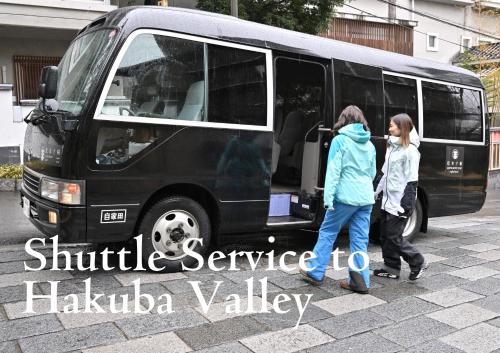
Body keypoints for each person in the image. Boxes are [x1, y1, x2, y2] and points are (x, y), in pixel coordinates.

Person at [300, 105, 376, 294]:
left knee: (328, 231)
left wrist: (328, 199)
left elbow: (333, 172)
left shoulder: (340, 140)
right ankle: (360, 281)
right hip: (365, 198)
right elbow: (372, 173)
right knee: (360, 239)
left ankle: (316, 272)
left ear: (343, 120)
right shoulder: (369, 144)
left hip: (345, 197)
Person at [373, 113, 428, 281]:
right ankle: (391, 267)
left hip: (400, 202)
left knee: (394, 238)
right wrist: (374, 192)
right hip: (387, 201)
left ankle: (418, 261)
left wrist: (407, 205)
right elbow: (384, 173)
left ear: (402, 127)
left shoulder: (411, 151)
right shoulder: (392, 147)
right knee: (383, 236)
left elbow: (412, 180)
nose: (389, 128)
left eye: (392, 125)